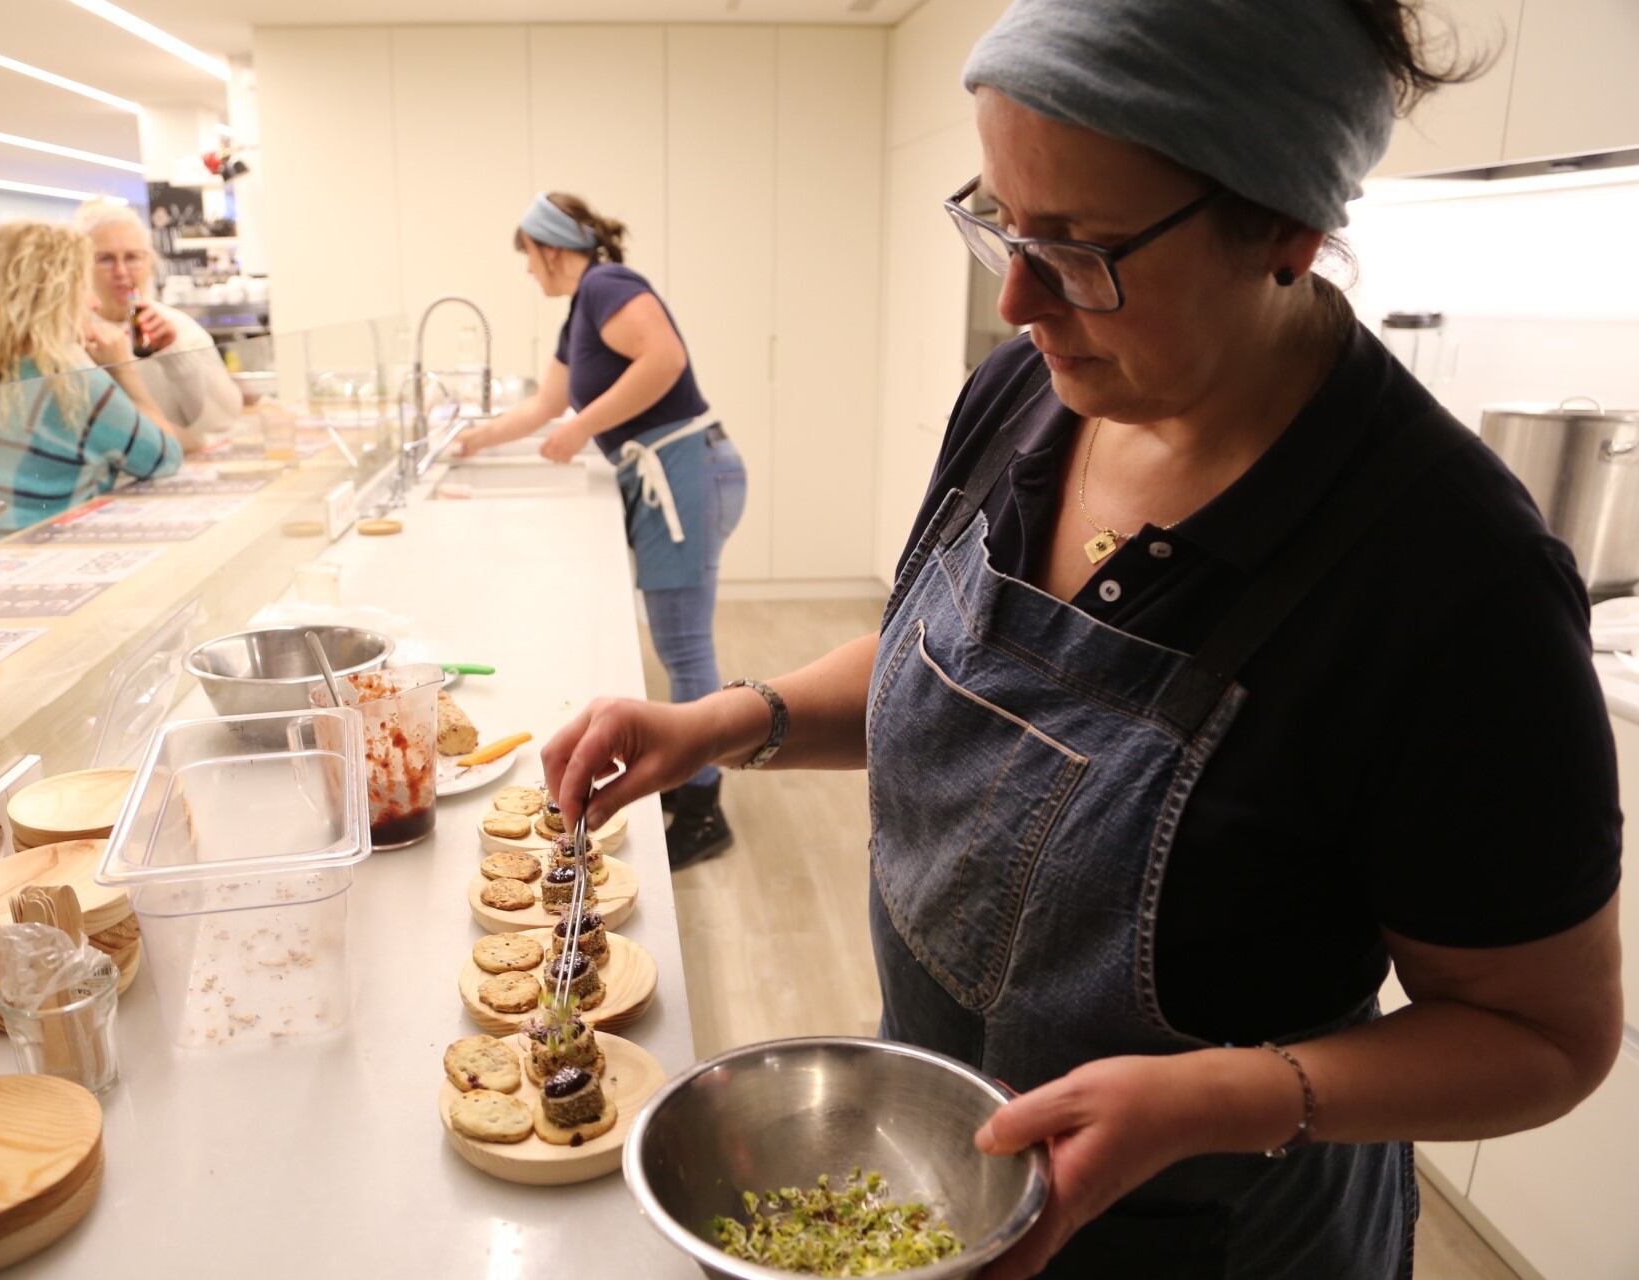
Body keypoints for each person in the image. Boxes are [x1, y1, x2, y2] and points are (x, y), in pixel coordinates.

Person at [543, 3, 1624, 1276]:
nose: (1013, 299)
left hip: (1214, 1236)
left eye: (1078, 251)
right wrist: (732, 717)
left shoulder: (1451, 585)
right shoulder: (1024, 395)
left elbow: (1544, 1036)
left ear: (1287, 229)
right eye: (998, 220)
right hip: (937, 1169)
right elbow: (933, 656)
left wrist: (1217, 1096)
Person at [457, 193, 748, 868]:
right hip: (673, 476)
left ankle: (705, 810)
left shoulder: (608, 285)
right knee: (678, 640)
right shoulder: (580, 313)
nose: (528, 273)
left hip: (688, 472)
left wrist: (583, 428)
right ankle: (688, 784)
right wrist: (473, 440)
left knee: (682, 643)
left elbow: (664, 360)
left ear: (552, 249)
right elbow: (546, 404)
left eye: (527, 258)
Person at [0, 221, 185, 552]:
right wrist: (123, 371)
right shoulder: (72, 382)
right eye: (81, 287)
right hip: (14, 560)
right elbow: (165, 458)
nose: (94, 304)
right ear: (56, 297)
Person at [72, 199, 241, 436]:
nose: (121, 272)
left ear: (149, 261)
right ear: (81, 266)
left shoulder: (181, 328)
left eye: (132, 257)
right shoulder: (70, 337)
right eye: (105, 259)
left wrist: (176, 355)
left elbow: (222, 424)